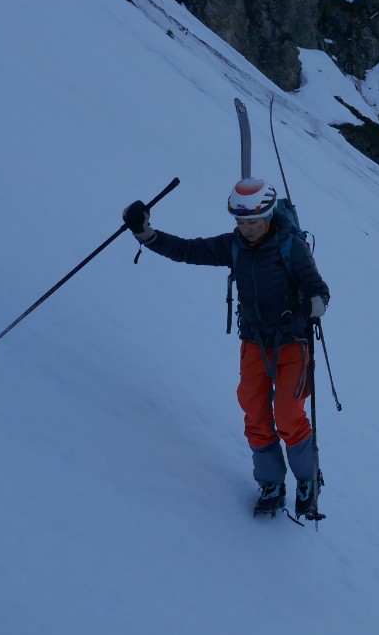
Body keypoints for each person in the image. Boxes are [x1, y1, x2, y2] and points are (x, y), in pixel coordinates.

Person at [123, 178, 331, 518]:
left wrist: (315, 303)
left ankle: (307, 479)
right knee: (255, 413)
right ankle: (271, 484)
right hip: (254, 343)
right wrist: (146, 234)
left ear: (266, 216)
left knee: (290, 415)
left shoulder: (291, 247)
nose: (246, 229)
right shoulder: (233, 246)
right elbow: (187, 250)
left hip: (292, 343)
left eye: (251, 222)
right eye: (240, 222)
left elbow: (319, 288)